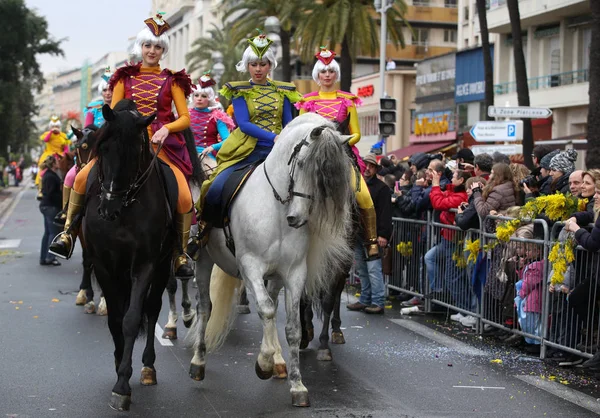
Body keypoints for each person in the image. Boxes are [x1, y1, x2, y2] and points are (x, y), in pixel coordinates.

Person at [50, 13, 196, 279]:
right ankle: (68, 232)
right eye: (148, 46)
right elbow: (114, 112)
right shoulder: (123, 78)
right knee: (81, 177)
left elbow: (185, 117)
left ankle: (180, 254)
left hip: (162, 146)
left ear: (164, 50)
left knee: (184, 195)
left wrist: (166, 128)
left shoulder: (173, 80)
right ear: (140, 48)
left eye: (158, 47)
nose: (152, 51)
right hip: (125, 143)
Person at [194, 32, 302, 244]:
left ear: (270, 65)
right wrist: (273, 137)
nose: (258, 69)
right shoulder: (239, 90)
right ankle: (205, 231)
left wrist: (286, 138)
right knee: (215, 188)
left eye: (263, 64)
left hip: (280, 151)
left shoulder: (285, 91)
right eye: (253, 64)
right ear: (247, 66)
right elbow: (243, 124)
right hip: (247, 150)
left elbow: (289, 121)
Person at [295, 47, 379, 258]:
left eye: (331, 71)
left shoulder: (347, 100)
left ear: (336, 74)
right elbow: (300, 131)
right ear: (317, 75)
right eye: (323, 72)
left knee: (364, 197)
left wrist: (339, 142)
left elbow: (357, 134)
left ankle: (371, 242)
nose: (327, 76)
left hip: (342, 154)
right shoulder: (307, 102)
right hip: (313, 156)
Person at [347, 154, 392, 314]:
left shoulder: (382, 188)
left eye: (371, 166)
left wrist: (384, 235)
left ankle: (378, 301)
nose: (367, 168)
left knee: (373, 269)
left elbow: (386, 213)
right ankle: (365, 299)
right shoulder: (358, 185)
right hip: (359, 233)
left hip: (373, 235)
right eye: (365, 165)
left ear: (375, 169)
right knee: (362, 269)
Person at [189, 72, 235, 159]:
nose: (199, 98)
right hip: (186, 155)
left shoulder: (217, 117)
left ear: (209, 98)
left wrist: (213, 147)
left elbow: (227, 140)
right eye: (196, 95)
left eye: (204, 96)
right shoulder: (185, 115)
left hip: (207, 156)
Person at [36, 116, 71, 193]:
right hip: (49, 154)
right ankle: (41, 189)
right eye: (53, 126)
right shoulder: (48, 134)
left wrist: (64, 154)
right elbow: (46, 140)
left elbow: (66, 148)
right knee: (43, 168)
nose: (55, 128)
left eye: (57, 126)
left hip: (60, 155)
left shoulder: (63, 135)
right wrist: (51, 132)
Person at [39, 156, 62, 266]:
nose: (59, 163)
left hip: (46, 206)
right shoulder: (51, 177)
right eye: (57, 162)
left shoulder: (47, 175)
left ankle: (44, 257)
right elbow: (51, 193)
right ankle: (50, 257)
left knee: (48, 233)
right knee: (54, 232)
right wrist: (62, 200)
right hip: (51, 207)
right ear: (53, 164)